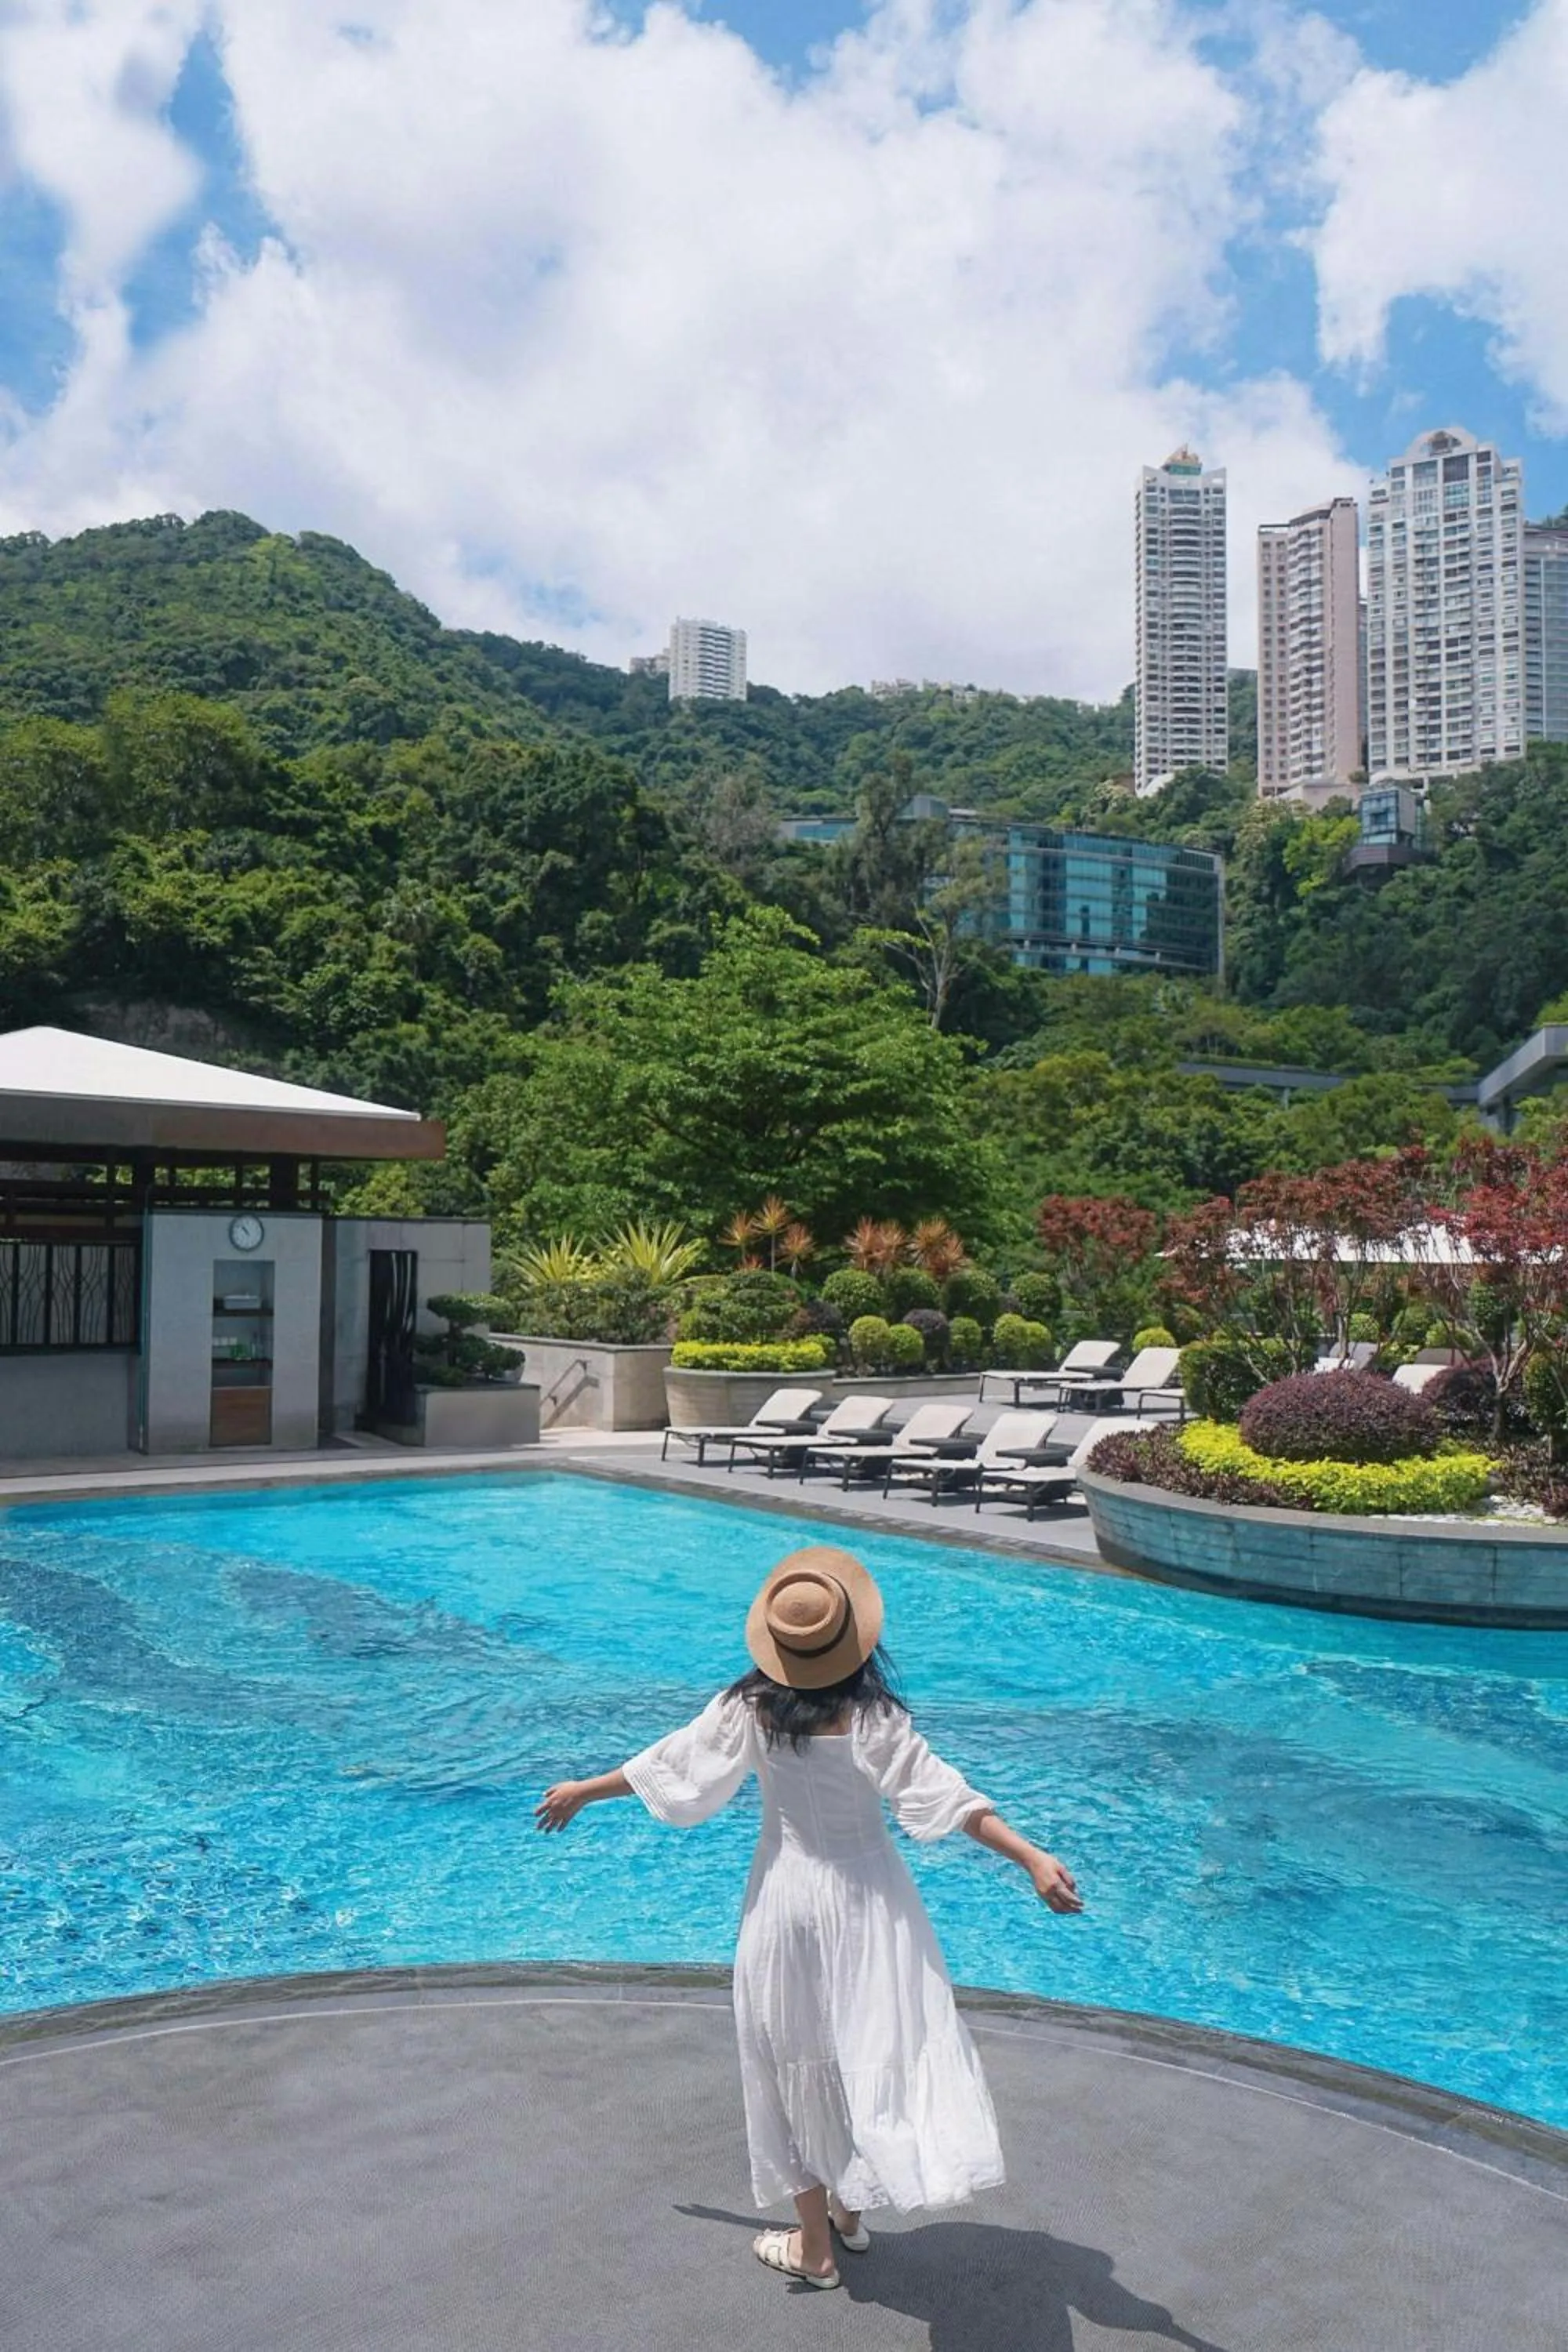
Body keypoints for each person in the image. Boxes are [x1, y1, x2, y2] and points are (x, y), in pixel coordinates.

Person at [535, 1544, 1082, 2291]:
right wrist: (1031, 1858)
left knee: (788, 2058)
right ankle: (850, 2214)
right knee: (867, 2047)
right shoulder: (876, 1720)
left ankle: (817, 2245)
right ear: (854, 1641)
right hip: (871, 1907)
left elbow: (671, 1765)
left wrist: (582, 1790)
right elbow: (949, 1800)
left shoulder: (749, 1711)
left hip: (787, 1904)